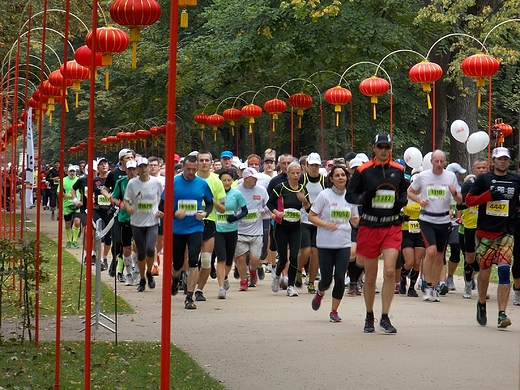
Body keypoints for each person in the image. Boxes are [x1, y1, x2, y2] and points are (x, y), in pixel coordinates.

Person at [346, 134, 407, 333]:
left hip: (391, 226)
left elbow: (404, 192)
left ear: (391, 148)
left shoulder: (398, 170)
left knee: (390, 271)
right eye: (380, 147)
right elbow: (350, 195)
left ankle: (385, 317)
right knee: (371, 276)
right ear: (374, 148)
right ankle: (369, 315)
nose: (383, 150)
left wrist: (401, 201)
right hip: (370, 226)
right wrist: (366, 196)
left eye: (387, 147)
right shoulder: (363, 171)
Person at [465, 147, 519, 328]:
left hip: (506, 232)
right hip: (485, 232)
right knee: (485, 270)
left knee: (504, 269)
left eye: (506, 159)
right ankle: (481, 303)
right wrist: (488, 196)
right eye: (499, 159)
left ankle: (502, 313)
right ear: (493, 161)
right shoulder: (483, 179)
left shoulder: (515, 180)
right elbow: (469, 201)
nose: (502, 161)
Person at [407, 149, 461, 302]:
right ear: (431, 162)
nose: (438, 164)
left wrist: (454, 193)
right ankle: (428, 285)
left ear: (445, 162)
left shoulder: (450, 176)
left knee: (439, 256)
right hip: (427, 219)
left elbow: (459, 200)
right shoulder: (423, 177)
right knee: (430, 251)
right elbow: (410, 191)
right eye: (436, 161)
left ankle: (434, 287)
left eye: (441, 161)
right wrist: (419, 201)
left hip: (444, 220)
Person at [309, 165, 359, 322]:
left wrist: (357, 221)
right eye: (337, 175)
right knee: (326, 280)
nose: (341, 178)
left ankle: (334, 311)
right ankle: (320, 292)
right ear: (331, 179)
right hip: (325, 244)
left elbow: (354, 220)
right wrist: (325, 224)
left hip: (344, 243)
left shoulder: (351, 197)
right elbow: (312, 216)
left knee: (339, 277)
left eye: (343, 175)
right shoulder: (324, 195)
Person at [167, 155, 214, 309]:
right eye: (189, 169)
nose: (191, 172)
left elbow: (209, 203)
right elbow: (162, 205)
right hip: (177, 228)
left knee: (194, 261)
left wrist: (205, 214)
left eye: (194, 169)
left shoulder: (202, 184)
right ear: (183, 167)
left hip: (196, 227)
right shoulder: (173, 182)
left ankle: (189, 297)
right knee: (179, 262)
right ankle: (175, 278)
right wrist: (174, 213)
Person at [268, 161, 311, 297]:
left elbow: (309, 209)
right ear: (288, 173)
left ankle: (290, 286)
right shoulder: (281, 187)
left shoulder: (303, 188)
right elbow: (269, 203)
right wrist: (276, 212)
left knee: (293, 257)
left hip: (296, 228)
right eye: (293, 173)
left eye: (298, 173)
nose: (296, 175)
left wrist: (304, 201)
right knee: (283, 259)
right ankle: (277, 276)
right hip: (281, 226)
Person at [123, 157, 163, 292]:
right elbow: (126, 200)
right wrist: (128, 208)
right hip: (137, 222)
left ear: (148, 168)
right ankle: (142, 279)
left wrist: (160, 211)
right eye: (140, 167)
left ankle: (149, 273)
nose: (143, 169)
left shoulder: (156, 182)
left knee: (150, 249)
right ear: (138, 169)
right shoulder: (132, 183)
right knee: (140, 253)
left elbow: (163, 198)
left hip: (152, 221)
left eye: (145, 166)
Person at [193, 151, 226, 302]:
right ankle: (183, 279)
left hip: (209, 221)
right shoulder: (189, 177)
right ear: (197, 162)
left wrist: (213, 201)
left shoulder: (216, 181)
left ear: (211, 163)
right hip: (189, 221)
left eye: (207, 160)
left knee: (206, 260)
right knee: (189, 259)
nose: (204, 163)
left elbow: (223, 208)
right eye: (202, 160)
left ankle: (199, 290)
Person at [234, 168, 269, 291]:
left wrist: (264, 210)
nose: (256, 181)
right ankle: (243, 281)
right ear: (246, 178)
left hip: (256, 231)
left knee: (255, 258)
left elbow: (269, 204)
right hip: (240, 230)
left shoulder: (261, 190)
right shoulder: (236, 191)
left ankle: (253, 270)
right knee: (241, 258)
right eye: (254, 179)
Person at [215, 169, 248, 298]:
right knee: (221, 258)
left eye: (229, 180)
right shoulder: (215, 194)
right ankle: (221, 287)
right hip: (218, 230)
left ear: (232, 181)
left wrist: (235, 217)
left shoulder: (236, 194)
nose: (226, 183)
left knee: (229, 261)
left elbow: (245, 210)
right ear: (220, 181)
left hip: (232, 230)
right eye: (224, 180)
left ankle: (225, 276)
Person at [297, 152, 327, 294]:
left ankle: (311, 282)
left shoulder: (324, 180)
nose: (314, 168)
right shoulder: (302, 180)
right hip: (304, 220)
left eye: (316, 165)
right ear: (306, 166)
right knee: (306, 251)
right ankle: (298, 269)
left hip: (318, 222)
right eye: (312, 165)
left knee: (316, 253)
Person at [111, 160, 138, 286]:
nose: (132, 172)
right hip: (124, 218)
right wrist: (119, 203)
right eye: (129, 169)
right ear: (125, 170)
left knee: (137, 246)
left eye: (134, 169)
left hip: (139, 219)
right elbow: (114, 197)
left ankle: (137, 273)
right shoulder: (120, 182)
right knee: (126, 247)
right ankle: (128, 274)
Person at [61, 165, 82, 248]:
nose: (72, 173)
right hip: (67, 205)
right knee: (68, 224)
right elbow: (59, 192)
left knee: (77, 222)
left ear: (76, 172)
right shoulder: (63, 180)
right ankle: (69, 240)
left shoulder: (79, 180)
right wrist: (66, 195)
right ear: (67, 172)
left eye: (73, 171)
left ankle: (75, 240)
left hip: (77, 204)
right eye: (71, 171)